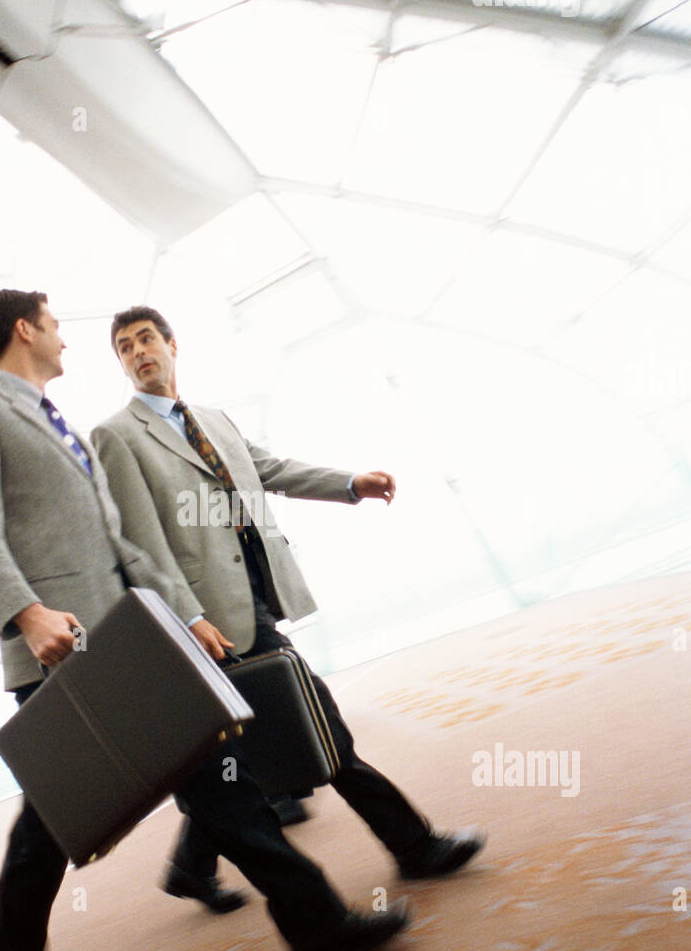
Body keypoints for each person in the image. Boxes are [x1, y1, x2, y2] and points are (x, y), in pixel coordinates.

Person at [0, 289, 415, 951]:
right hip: (58, 654)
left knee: (221, 781)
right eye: (56, 328)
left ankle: (315, 929)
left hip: (123, 648)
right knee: (50, 826)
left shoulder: (63, 429)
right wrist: (26, 614)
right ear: (25, 329)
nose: (66, 342)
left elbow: (118, 545)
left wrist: (177, 614)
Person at [91, 306, 485, 914]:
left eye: (147, 339)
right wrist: (191, 617)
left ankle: (191, 868)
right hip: (208, 621)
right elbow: (140, 542)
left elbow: (268, 469)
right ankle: (414, 846)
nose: (138, 351)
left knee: (226, 754)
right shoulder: (117, 436)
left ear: (172, 344)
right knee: (320, 726)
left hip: (254, 602)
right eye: (124, 347)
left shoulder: (212, 420)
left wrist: (349, 483)